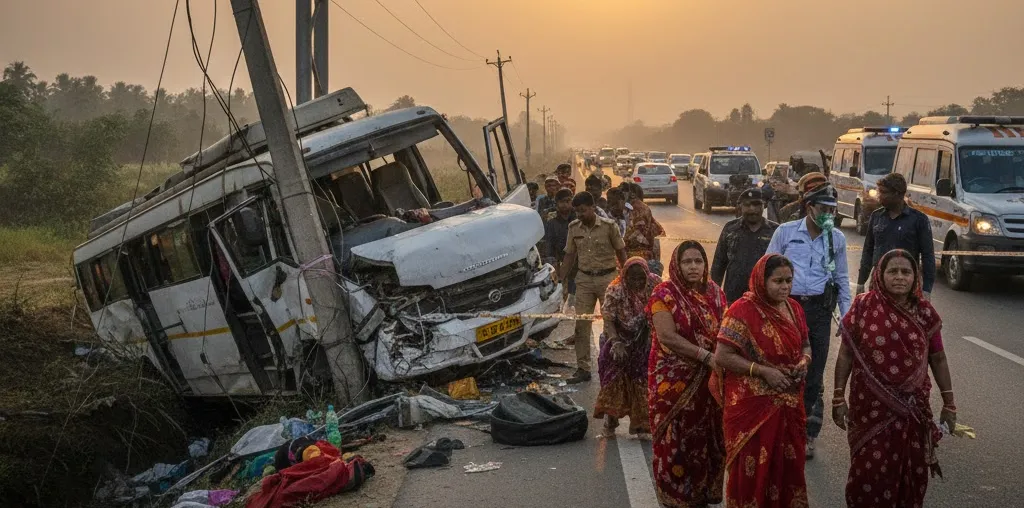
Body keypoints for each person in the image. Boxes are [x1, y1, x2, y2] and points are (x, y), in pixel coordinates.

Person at [833, 249, 957, 508]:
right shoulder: (862, 306)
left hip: (912, 411)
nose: (899, 277)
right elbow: (845, 355)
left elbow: (939, 359)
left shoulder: (925, 313)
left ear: (915, 277)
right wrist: (837, 398)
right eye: (893, 271)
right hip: (869, 411)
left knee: (909, 476)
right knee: (867, 475)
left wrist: (949, 404)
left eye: (906, 272)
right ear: (880, 274)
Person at [711, 254, 812, 508]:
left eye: (789, 280)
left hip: (789, 404)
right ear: (760, 280)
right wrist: (763, 371)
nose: (785, 286)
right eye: (778, 281)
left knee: (788, 467)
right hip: (752, 408)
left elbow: (806, 345)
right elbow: (723, 355)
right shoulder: (742, 310)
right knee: (753, 471)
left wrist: (804, 361)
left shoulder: (794, 308)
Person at [766, 183, 851, 459]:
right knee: (781, 369)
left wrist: (847, 319)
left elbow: (841, 280)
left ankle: (803, 433)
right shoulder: (786, 232)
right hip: (786, 307)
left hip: (818, 312)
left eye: (832, 210)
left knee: (812, 376)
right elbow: (765, 269)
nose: (829, 214)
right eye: (824, 209)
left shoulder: (835, 238)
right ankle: (778, 430)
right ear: (809, 208)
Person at [646, 241, 727, 507]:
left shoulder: (716, 293)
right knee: (675, 437)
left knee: (708, 435)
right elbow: (667, 337)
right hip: (672, 379)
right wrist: (705, 356)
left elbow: (724, 332)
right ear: (676, 265)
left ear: (705, 265)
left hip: (710, 379)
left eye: (698, 261)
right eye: (687, 262)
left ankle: (703, 492)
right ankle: (676, 496)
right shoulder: (663, 294)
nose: (693, 267)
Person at [560, 191, 627, 384]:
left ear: (592, 208)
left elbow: (621, 253)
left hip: (608, 279)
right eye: (577, 212)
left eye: (582, 211)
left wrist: (626, 279)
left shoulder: (609, 226)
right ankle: (583, 368)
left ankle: (614, 366)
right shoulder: (573, 228)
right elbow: (569, 257)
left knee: (611, 325)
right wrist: (560, 279)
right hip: (584, 280)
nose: (579, 215)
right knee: (581, 326)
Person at [594, 257, 661, 437]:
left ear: (647, 275)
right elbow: (608, 320)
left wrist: (651, 338)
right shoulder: (615, 290)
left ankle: (641, 426)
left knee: (642, 382)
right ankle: (610, 422)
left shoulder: (655, 285)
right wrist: (616, 343)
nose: (637, 282)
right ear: (625, 277)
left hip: (643, 338)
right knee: (613, 379)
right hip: (618, 337)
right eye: (633, 278)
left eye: (641, 278)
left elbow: (660, 312)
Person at [856, 172, 936, 299]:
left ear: (897, 194)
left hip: (906, 286)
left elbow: (928, 257)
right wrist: (861, 282)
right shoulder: (876, 217)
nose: (879, 196)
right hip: (878, 285)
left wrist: (927, 290)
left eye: (883, 192)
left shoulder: (919, 220)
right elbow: (868, 251)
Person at [711, 188, 779, 304]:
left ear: (764, 205)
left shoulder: (775, 230)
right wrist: (713, 296)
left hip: (765, 297)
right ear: (740, 207)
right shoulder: (730, 229)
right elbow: (719, 264)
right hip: (734, 296)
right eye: (747, 205)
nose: (752, 209)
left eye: (756, 204)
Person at [623, 183, 665, 266]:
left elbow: (637, 235)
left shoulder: (638, 208)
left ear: (632, 194)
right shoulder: (633, 207)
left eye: (623, 192)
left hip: (637, 257)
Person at [543, 188, 577, 291]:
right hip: (559, 259)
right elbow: (549, 243)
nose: (565, 204)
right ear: (556, 203)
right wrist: (552, 262)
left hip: (578, 260)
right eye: (562, 202)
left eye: (568, 201)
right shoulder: (551, 221)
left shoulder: (578, 218)